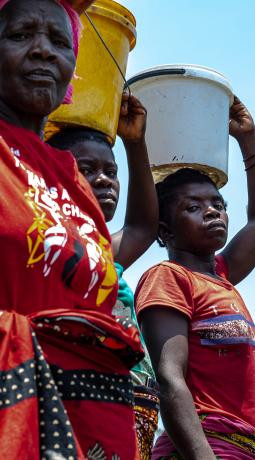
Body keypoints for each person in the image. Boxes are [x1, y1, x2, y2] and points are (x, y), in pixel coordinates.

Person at [0, 0, 143, 457]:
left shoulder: (72, 180)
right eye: (21, 35)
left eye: (59, 41)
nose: (43, 51)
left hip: (90, 425)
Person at [135, 96, 255, 459]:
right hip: (204, 448)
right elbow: (171, 380)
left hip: (246, 448)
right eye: (193, 207)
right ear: (164, 229)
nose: (212, 211)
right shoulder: (167, 278)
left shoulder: (222, 277)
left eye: (218, 204)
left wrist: (249, 138)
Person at [47, 94, 159, 459]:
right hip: (74, 404)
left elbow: (142, 225)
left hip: (131, 408)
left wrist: (135, 143)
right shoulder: (46, 244)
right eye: (86, 169)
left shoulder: (104, 250)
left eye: (111, 172)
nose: (104, 180)